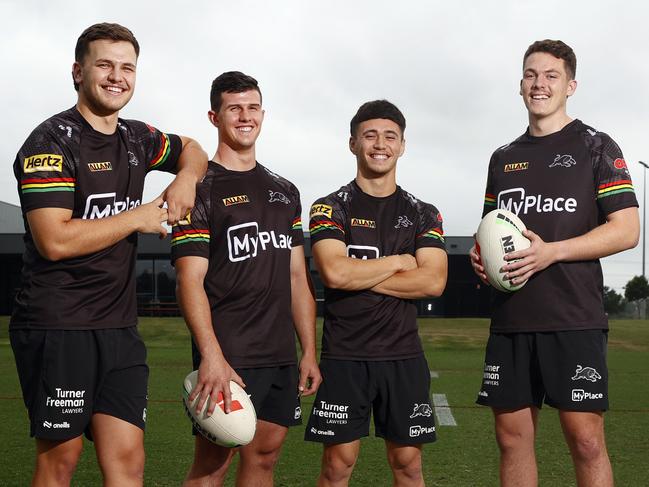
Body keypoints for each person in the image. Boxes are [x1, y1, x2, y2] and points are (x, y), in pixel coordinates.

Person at [10, 23, 207, 487]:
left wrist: (185, 179)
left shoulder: (137, 138)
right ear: (78, 72)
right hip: (58, 325)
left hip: (119, 329)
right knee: (60, 461)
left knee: (128, 461)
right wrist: (137, 217)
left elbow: (194, 149)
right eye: (104, 65)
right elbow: (53, 241)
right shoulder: (50, 142)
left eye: (127, 68)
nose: (117, 76)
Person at [470, 39, 639, 487]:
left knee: (585, 440)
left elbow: (627, 230)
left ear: (571, 85)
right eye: (531, 75)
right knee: (512, 439)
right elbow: (492, 226)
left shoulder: (595, 145)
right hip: (511, 320)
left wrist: (552, 252)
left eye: (551, 76)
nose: (539, 84)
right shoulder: (503, 158)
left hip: (573, 318)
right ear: (520, 85)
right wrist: (480, 256)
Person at [172, 71, 321, 487]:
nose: (245, 116)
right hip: (228, 352)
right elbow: (189, 280)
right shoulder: (199, 188)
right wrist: (210, 355)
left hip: (279, 353)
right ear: (214, 116)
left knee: (265, 458)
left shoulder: (285, 190)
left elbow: (296, 276)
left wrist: (308, 349)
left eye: (252, 107)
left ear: (263, 114)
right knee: (212, 466)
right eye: (234, 108)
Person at [304, 100, 448, 487]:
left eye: (390, 136)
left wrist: (358, 275)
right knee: (337, 467)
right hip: (345, 356)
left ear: (402, 145)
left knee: (408, 466)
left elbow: (432, 282)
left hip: (403, 357)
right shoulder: (329, 207)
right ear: (353, 143)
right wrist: (400, 261)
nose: (379, 144)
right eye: (370, 135)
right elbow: (333, 272)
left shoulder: (423, 212)